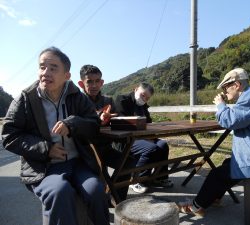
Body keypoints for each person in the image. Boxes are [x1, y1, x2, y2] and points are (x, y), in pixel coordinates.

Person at [1, 47, 109, 225]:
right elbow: (9, 135)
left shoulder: (77, 96)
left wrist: (72, 124)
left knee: (96, 190)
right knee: (59, 192)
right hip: (44, 166)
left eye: (53, 68)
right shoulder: (26, 98)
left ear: (66, 75)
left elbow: (93, 124)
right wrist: (46, 149)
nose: (46, 73)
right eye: (42, 67)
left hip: (78, 162)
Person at [177, 68, 250, 217]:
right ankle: (214, 198)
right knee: (227, 163)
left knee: (216, 174)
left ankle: (196, 206)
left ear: (236, 85)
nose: (224, 91)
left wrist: (220, 105)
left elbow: (229, 121)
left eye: (225, 87)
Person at [78, 64, 135, 201]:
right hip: (87, 151)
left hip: (106, 147)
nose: (94, 85)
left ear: (102, 82)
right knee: (100, 175)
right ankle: (105, 196)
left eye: (97, 81)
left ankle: (117, 199)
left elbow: (116, 119)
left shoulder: (108, 100)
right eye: (89, 81)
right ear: (81, 84)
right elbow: (78, 124)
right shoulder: (77, 101)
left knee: (128, 162)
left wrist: (114, 118)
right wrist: (98, 118)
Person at [115, 82, 174, 193]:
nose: (144, 99)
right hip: (125, 139)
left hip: (143, 137)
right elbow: (121, 121)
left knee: (163, 145)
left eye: (147, 98)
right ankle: (137, 180)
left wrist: (150, 135)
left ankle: (160, 177)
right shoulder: (122, 99)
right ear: (135, 89)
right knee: (150, 148)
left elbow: (149, 123)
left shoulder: (143, 106)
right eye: (143, 95)